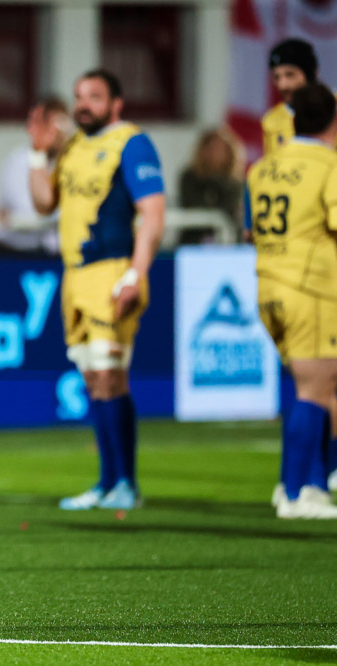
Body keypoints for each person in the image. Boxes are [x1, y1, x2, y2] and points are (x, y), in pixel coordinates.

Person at [28, 69, 165, 511]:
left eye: (94, 96)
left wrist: (135, 274)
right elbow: (43, 204)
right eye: (79, 97)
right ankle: (108, 483)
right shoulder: (73, 147)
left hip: (113, 271)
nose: (83, 105)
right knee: (93, 379)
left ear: (116, 103)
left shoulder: (132, 143)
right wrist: (37, 153)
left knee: (109, 375)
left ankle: (125, 483)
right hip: (75, 277)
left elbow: (153, 213)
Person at [247, 84, 337, 518]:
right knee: (316, 389)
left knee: (308, 388)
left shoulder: (263, 166)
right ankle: (296, 493)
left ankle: (302, 487)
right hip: (311, 289)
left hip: (269, 285)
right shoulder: (329, 164)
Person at [0, 97, 70, 257]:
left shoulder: (67, 162)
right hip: (10, 252)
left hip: (48, 252)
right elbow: (30, 214)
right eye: (56, 127)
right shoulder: (18, 162)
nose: (61, 134)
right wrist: (64, 216)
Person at [178, 128, 244, 242]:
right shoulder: (189, 177)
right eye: (211, 148)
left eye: (220, 149)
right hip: (194, 240)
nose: (215, 153)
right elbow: (194, 207)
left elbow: (230, 210)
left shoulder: (236, 183)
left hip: (229, 242)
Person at [262, 39, 319, 156]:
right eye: (277, 77)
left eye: (290, 75)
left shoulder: (334, 109)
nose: (282, 85)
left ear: (311, 74)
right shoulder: (271, 121)